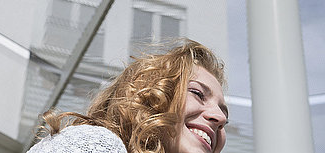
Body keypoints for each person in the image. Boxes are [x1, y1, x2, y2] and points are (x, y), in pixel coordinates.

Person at [28, 40, 229, 153]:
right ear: (150, 97)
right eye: (197, 93)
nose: (220, 118)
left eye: (223, 113)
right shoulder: (97, 144)